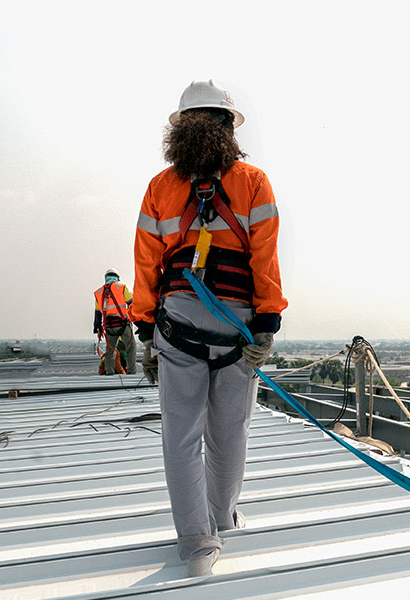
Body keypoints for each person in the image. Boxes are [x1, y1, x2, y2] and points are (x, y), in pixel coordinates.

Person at [128, 80, 287, 577]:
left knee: (180, 435)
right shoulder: (252, 181)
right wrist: (267, 322)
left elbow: (146, 261)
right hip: (236, 323)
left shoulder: (161, 186)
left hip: (177, 321)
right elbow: (265, 257)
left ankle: (198, 543)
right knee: (230, 433)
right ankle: (222, 519)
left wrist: (146, 327)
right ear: (227, 127)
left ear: (181, 130)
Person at [93, 268, 136, 375]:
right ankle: (131, 371)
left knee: (110, 350)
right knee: (131, 347)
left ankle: (109, 372)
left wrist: (97, 328)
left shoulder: (99, 292)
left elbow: (97, 313)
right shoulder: (121, 287)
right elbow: (131, 304)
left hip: (109, 326)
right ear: (117, 277)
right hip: (123, 324)